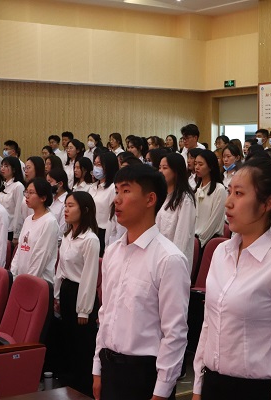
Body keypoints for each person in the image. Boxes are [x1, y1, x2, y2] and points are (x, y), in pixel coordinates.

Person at [193, 157, 271, 400]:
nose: (228, 202)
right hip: (212, 382)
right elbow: (209, 324)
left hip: (253, 390)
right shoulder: (221, 252)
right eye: (230, 192)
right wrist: (197, 386)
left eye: (239, 193)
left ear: (267, 203)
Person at [93, 164, 189, 400]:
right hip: (110, 366)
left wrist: (162, 391)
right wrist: (97, 368)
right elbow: (105, 313)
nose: (117, 199)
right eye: (116, 191)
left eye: (126, 191)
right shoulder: (112, 252)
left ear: (150, 199)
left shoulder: (169, 258)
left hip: (144, 373)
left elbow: (175, 333)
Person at [54, 191, 100, 396]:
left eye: (71, 206)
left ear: (85, 210)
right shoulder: (67, 236)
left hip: (82, 294)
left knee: (82, 345)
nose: (66, 209)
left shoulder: (90, 239)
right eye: (65, 205)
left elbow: (90, 276)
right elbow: (60, 269)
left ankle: (84, 388)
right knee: (68, 341)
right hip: (67, 290)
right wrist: (56, 295)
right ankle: (69, 386)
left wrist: (84, 310)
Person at [10, 178, 59, 284]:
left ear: (43, 198)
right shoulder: (28, 219)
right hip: (20, 280)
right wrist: (13, 276)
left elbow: (40, 257)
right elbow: (19, 251)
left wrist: (27, 282)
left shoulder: (49, 222)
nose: (27, 196)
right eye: (26, 192)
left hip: (38, 283)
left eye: (31, 193)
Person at [157, 153, 196, 271]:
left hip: (175, 261)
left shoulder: (185, 199)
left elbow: (182, 236)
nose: (160, 171)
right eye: (159, 167)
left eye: (165, 168)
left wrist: (172, 262)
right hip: (158, 255)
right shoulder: (161, 195)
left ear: (176, 171)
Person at [194, 150, 227, 247]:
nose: (197, 167)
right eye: (195, 164)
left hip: (209, 240)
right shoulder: (197, 189)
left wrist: (201, 241)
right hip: (195, 239)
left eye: (200, 164)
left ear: (210, 166)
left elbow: (214, 221)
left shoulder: (219, 189)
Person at [88, 152, 118, 256]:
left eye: (99, 164)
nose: (96, 167)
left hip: (103, 232)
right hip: (90, 230)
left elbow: (113, 217)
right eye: (95, 164)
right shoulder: (93, 187)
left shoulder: (113, 188)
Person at [0, 156, 25, 241]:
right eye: (2, 166)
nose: (2, 168)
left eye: (6, 166)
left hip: (11, 230)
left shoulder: (18, 186)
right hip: (2, 228)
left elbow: (18, 211)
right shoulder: (3, 185)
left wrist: (16, 235)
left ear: (14, 169)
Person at [47, 167, 71, 243]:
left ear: (60, 184)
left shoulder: (66, 201)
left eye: (50, 182)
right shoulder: (50, 198)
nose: (47, 185)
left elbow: (62, 231)